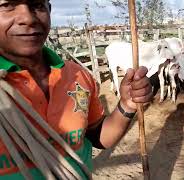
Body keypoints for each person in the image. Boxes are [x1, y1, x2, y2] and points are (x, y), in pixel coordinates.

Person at [0, 0, 153, 179]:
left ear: (49, 11)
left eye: (37, 5)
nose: (27, 18)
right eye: (7, 5)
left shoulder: (77, 75)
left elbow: (99, 136)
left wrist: (127, 105)